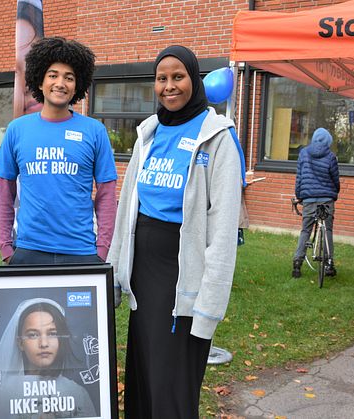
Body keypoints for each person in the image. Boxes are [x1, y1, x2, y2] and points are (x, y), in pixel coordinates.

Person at [108, 45, 242, 418]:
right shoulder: (148, 134)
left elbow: (223, 226)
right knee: (144, 375)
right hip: (143, 274)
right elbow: (126, 210)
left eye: (178, 77)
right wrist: (116, 270)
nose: (169, 86)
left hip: (183, 275)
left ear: (194, 80)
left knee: (172, 385)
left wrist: (209, 305)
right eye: (161, 78)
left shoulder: (217, 136)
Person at [0, 37, 118, 265]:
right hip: (28, 250)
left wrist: (101, 250)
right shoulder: (17, 130)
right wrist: (6, 248)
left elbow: (107, 194)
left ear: (77, 86)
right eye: (53, 75)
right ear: (40, 82)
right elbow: (4, 191)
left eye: (69, 78)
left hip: (81, 251)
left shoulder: (95, 131)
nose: (60, 83)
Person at [0, 298, 97, 418]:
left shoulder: (77, 393)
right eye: (33, 335)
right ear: (20, 343)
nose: (44, 343)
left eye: (52, 334)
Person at [291, 127, 340, 278]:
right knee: (328, 230)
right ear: (328, 141)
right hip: (326, 199)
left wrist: (299, 196)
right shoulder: (331, 156)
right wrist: (335, 192)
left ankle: (297, 264)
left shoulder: (303, 153)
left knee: (306, 230)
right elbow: (335, 179)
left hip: (309, 199)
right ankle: (329, 264)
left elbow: (299, 178)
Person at [13, 0, 44, 118]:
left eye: (31, 67)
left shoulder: (91, 129)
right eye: (18, 72)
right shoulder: (14, 131)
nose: (27, 87)